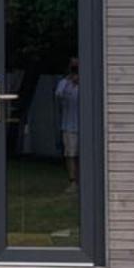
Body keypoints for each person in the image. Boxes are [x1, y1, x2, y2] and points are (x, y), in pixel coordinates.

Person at [54, 57, 79, 187]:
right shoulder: (63, 83)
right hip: (69, 125)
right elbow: (58, 95)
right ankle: (72, 181)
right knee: (70, 154)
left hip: (85, 126)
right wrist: (70, 81)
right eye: (73, 66)